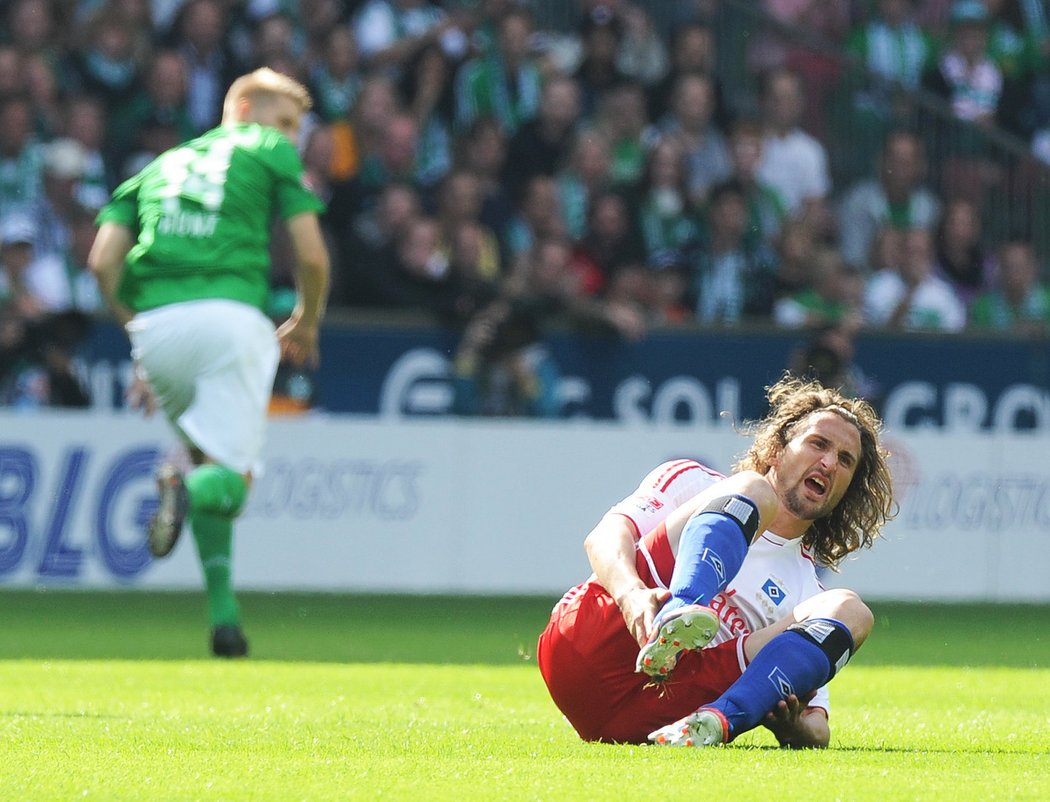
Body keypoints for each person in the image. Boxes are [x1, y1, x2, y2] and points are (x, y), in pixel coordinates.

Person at [87, 68, 330, 658]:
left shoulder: (156, 165)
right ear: (244, 107)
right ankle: (183, 487)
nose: (291, 136)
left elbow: (101, 263)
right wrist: (309, 317)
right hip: (231, 320)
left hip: (157, 330)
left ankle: (225, 620)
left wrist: (137, 336)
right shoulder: (264, 148)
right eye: (284, 121)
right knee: (230, 481)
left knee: (207, 460)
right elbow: (311, 254)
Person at [537, 376, 895, 747]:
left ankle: (720, 720)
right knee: (753, 489)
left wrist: (792, 728)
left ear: (846, 490)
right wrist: (631, 596)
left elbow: (817, 729)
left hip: (659, 712)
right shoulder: (697, 482)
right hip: (594, 643)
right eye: (818, 443)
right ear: (777, 450)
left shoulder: (808, 593)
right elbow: (603, 537)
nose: (828, 462)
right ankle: (679, 611)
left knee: (851, 610)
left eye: (845, 460)